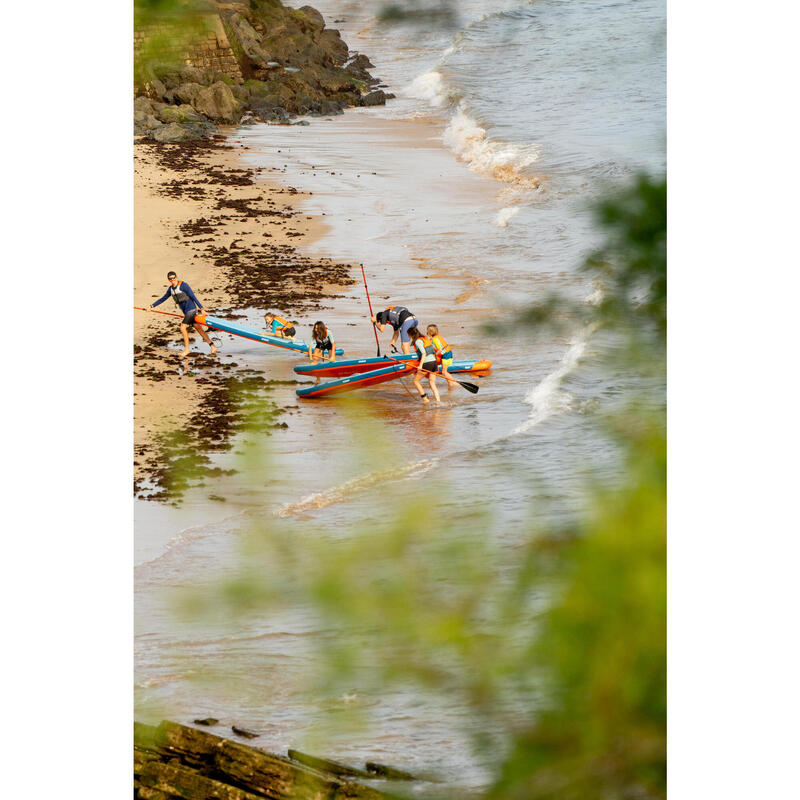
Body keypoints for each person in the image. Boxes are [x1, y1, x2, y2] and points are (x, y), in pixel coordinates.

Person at [148, 271, 218, 357]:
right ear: (168, 279)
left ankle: (187, 350)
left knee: (182, 327)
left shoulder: (183, 285)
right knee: (198, 328)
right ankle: (213, 346)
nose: (172, 280)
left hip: (191, 310)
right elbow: (163, 298)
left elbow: (193, 296)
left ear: (176, 277)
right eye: (170, 278)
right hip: (186, 312)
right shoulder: (171, 289)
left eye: (174, 277)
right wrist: (152, 306)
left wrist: (202, 309)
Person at [409, 326, 441, 404]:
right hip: (433, 362)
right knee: (432, 383)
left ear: (411, 335)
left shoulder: (418, 341)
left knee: (416, 381)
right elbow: (433, 351)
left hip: (427, 363)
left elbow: (424, 353)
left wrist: (420, 365)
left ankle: (425, 399)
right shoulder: (425, 338)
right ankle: (438, 401)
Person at [427, 324, 455, 389]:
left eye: (427, 331)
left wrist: (434, 355)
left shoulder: (435, 339)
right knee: (444, 371)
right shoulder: (436, 336)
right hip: (448, 352)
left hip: (447, 354)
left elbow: (439, 349)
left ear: (430, 332)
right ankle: (451, 383)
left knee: (444, 372)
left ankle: (452, 383)